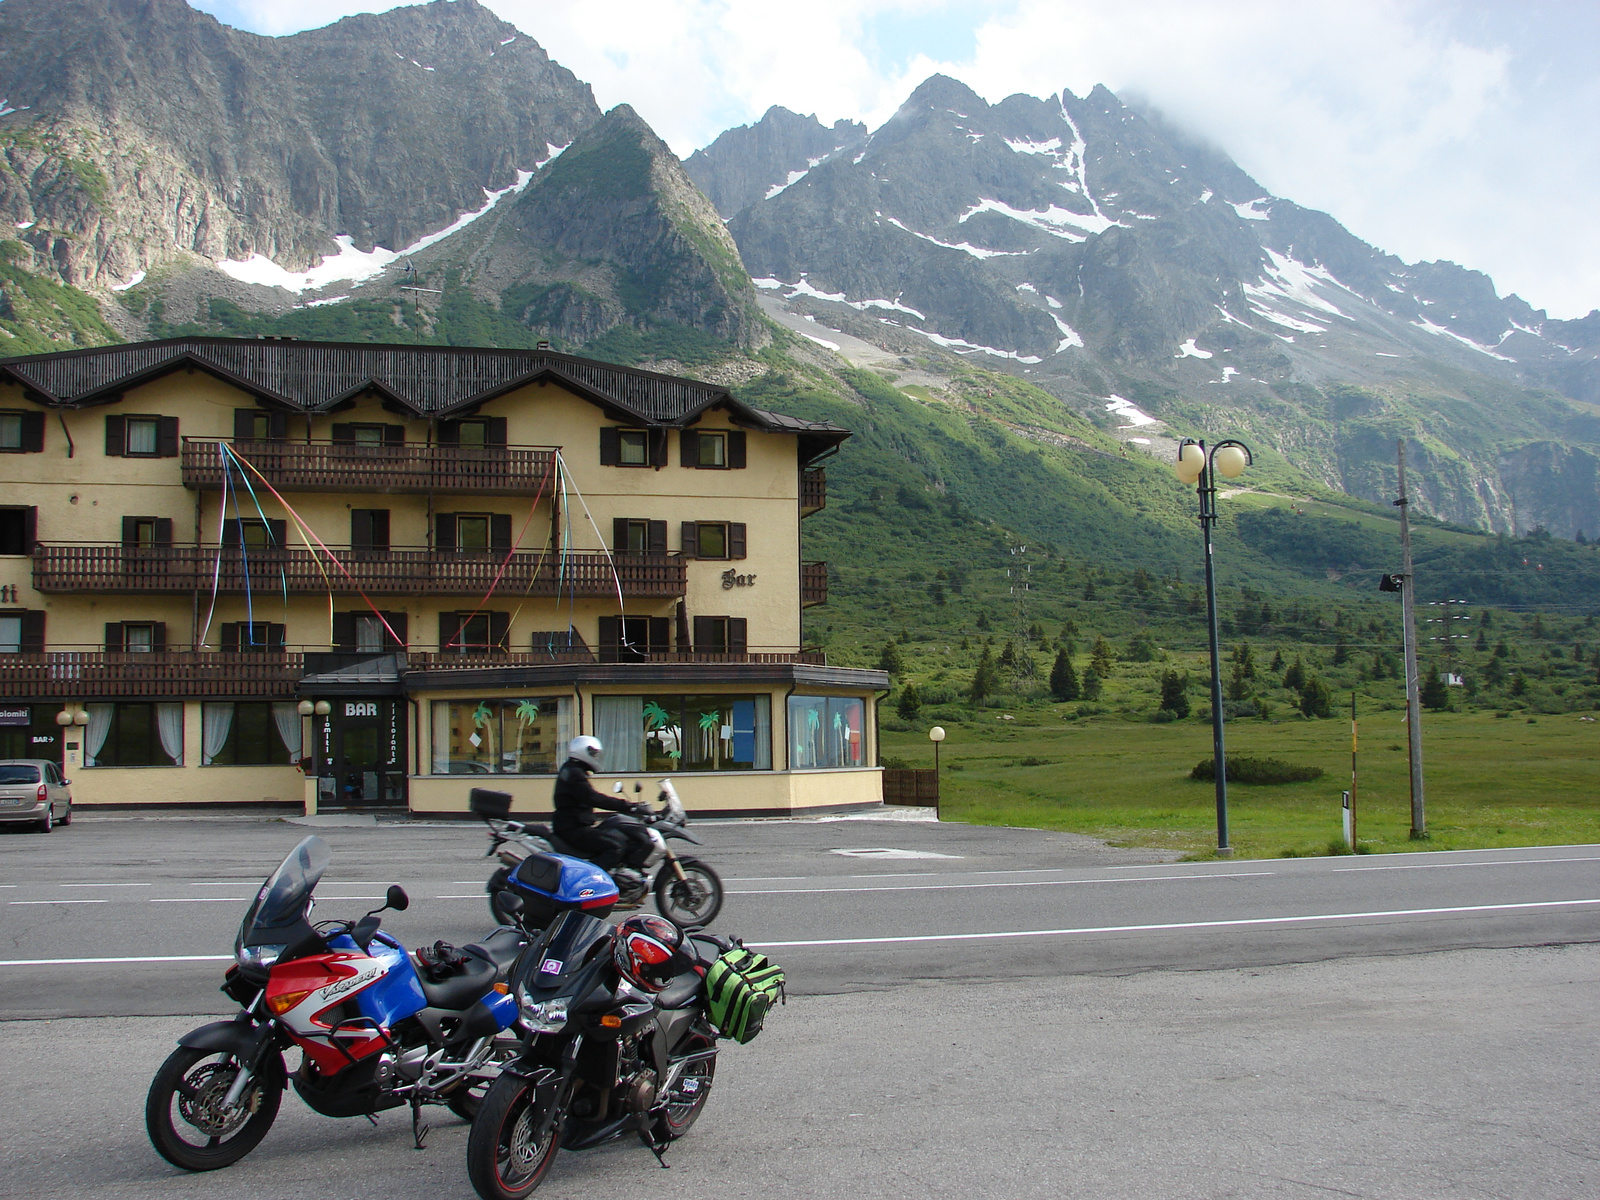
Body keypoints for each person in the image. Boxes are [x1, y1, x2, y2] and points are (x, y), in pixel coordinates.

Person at [551, 736, 649, 871]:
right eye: (594, 754)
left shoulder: (572, 769)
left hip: (570, 825)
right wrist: (626, 806)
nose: (596, 758)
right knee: (615, 846)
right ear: (583, 751)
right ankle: (593, 880)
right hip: (573, 829)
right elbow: (593, 798)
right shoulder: (575, 774)